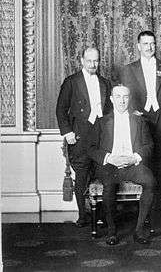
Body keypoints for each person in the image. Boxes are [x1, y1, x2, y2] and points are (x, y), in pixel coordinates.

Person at [87, 85, 155, 246]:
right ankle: (112, 231)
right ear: (111, 99)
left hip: (132, 164)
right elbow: (91, 148)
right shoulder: (102, 122)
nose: (122, 100)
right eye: (118, 97)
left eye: (125, 96)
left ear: (129, 98)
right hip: (110, 165)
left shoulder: (139, 121)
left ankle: (138, 230)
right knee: (109, 185)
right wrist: (110, 158)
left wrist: (134, 158)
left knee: (150, 181)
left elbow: (149, 146)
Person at [119, 30, 161, 215]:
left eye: (152, 43)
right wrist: (136, 116)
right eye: (145, 44)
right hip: (141, 120)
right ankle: (146, 209)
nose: (149, 47)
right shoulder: (129, 69)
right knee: (144, 160)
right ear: (138, 46)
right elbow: (126, 98)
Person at [56, 47, 112, 227]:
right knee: (81, 175)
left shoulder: (104, 82)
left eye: (96, 61)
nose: (93, 64)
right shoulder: (71, 82)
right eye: (89, 61)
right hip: (79, 135)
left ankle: (102, 215)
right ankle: (82, 215)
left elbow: (110, 111)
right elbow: (60, 109)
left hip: (101, 137)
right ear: (81, 60)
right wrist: (67, 132)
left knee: (104, 174)